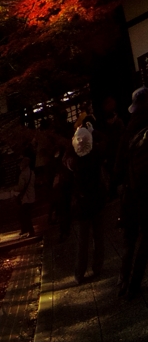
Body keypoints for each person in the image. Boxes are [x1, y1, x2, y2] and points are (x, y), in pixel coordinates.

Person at [116, 87, 148, 298]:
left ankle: (123, 283)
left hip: (130, 194)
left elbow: (117, 167)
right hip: (145, 193)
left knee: (129, 240)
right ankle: (134, 284)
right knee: (145, 240)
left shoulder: (127, 132)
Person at [69, 123, 107, 284]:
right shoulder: (96, 155)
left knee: (82, 241)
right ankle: (97, 267)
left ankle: (79, 272)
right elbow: (105, 141)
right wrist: (92, 131)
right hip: (97, 200)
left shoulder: (74, 162)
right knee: (98, 237)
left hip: (82, 203)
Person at [16, 156, 36, 237]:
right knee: (26, 214)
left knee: (23, 214)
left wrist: (15, 189)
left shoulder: (23, 174)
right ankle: (25, 229)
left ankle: (30, 231)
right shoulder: (32, 172)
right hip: (32, 195)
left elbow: (21, 187)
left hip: (26, 197)